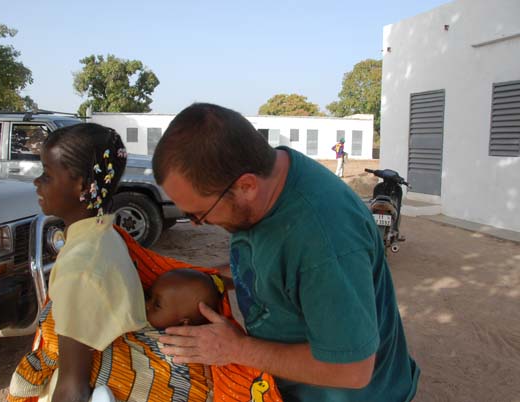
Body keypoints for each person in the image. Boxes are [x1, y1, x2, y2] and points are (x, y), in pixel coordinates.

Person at [151, 103, 420, 402]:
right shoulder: (271, 173)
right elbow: (272, 264)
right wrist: (210, 280)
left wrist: (236, 349)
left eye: (201, 214)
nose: (199, 225)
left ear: (246, 186)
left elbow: (352, 371)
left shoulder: (324, 240)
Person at [9, 221, 284, 402]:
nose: (146, 303)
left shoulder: (198, 349)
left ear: (184, 322)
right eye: (150, 297)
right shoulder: (145, 318)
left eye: (155, 303)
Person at [13, 123, 149, 402]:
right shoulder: (105, 236)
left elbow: (72, 388)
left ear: (82, 185)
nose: (37, 182)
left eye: (47, 175)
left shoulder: (81, 267)